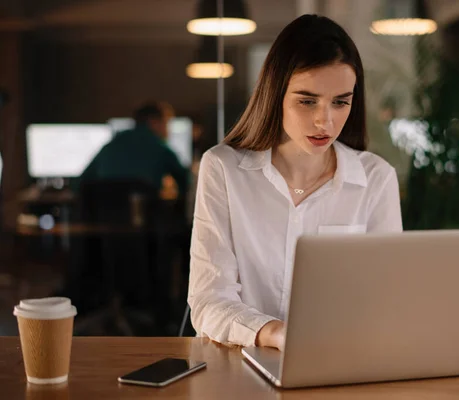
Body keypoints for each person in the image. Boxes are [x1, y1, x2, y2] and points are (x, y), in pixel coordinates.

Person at [188, 15, 403, 351]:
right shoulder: (224, 169)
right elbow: (208, 301)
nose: (325, 120)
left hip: (341, 361)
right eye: (307, 101)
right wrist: (276, 334)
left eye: (340, 101)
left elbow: (388, 298)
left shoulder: (376, 178)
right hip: (242, 367)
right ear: (276, 95)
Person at [78, 101, 189, 196]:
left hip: (102, 218)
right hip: (144, 217)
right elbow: (187, 184)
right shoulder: (160, 149)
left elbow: (82, 181)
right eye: (166, 124)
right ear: (154, 122)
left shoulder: (112, 144)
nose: (167, 131)